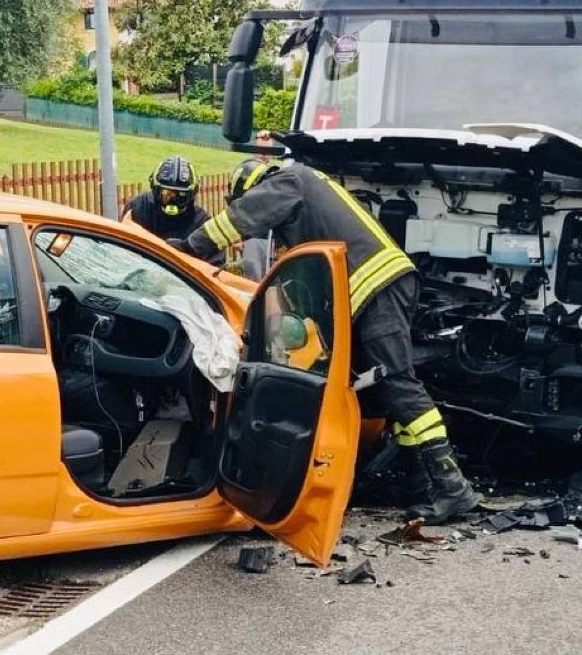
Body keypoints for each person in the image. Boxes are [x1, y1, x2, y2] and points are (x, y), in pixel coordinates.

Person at [170, 158, 481, 524]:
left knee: (399, 384)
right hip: (379, 290)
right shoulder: (306, 198)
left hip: (375, 289)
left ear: (256, 185)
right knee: (383, 391)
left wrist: (189, 247)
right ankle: (419, 485)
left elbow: (241, 218)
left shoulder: (291, 180)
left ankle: (452, 488)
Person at [124, 156, 209, 244]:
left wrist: (143, 235)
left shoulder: (202, 224)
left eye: (180, 196)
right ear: (155, 190)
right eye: (167, 194)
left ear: (192, 194)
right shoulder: (139, 208)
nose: (173, 202)